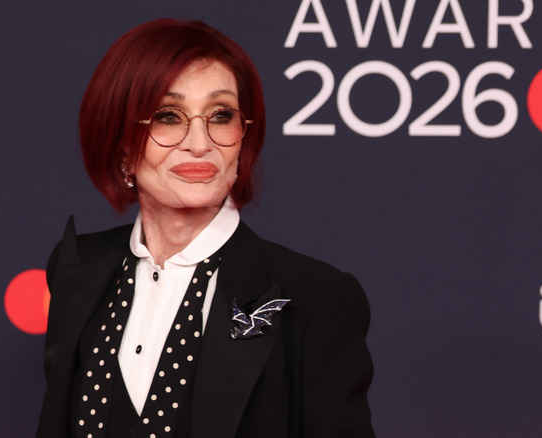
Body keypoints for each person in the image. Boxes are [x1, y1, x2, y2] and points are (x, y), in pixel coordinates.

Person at [36, 18, 375, 438]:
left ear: (243, 139)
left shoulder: (315, 297)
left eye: (220, 115)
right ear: (122, 145)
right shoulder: (77, 270)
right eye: (168, 116)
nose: (200, 142)